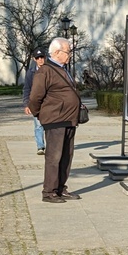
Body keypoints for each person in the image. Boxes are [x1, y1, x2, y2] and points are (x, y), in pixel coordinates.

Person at [28, 38, 82, 203]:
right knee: (54, 157)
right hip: (55, 119)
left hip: (69, 119)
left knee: (67, 156)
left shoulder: (64, 69)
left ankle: (60, 188)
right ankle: (49, 192)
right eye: (68, 52)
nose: (70, 55)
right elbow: (35, 96)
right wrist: (39, 114)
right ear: (57, 53)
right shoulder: (45, 71)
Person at [23, 48, 47, 155]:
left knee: (50, 125)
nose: (40, 60)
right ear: (34, 59)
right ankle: (40, 146)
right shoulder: (31, 72)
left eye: (42, 57)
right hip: (36, 102)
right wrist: (27, 104)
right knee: (38, 125)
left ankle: (52, 145)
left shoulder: (50, 70)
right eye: (38, 58)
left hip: (48, 102)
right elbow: (27, 88)